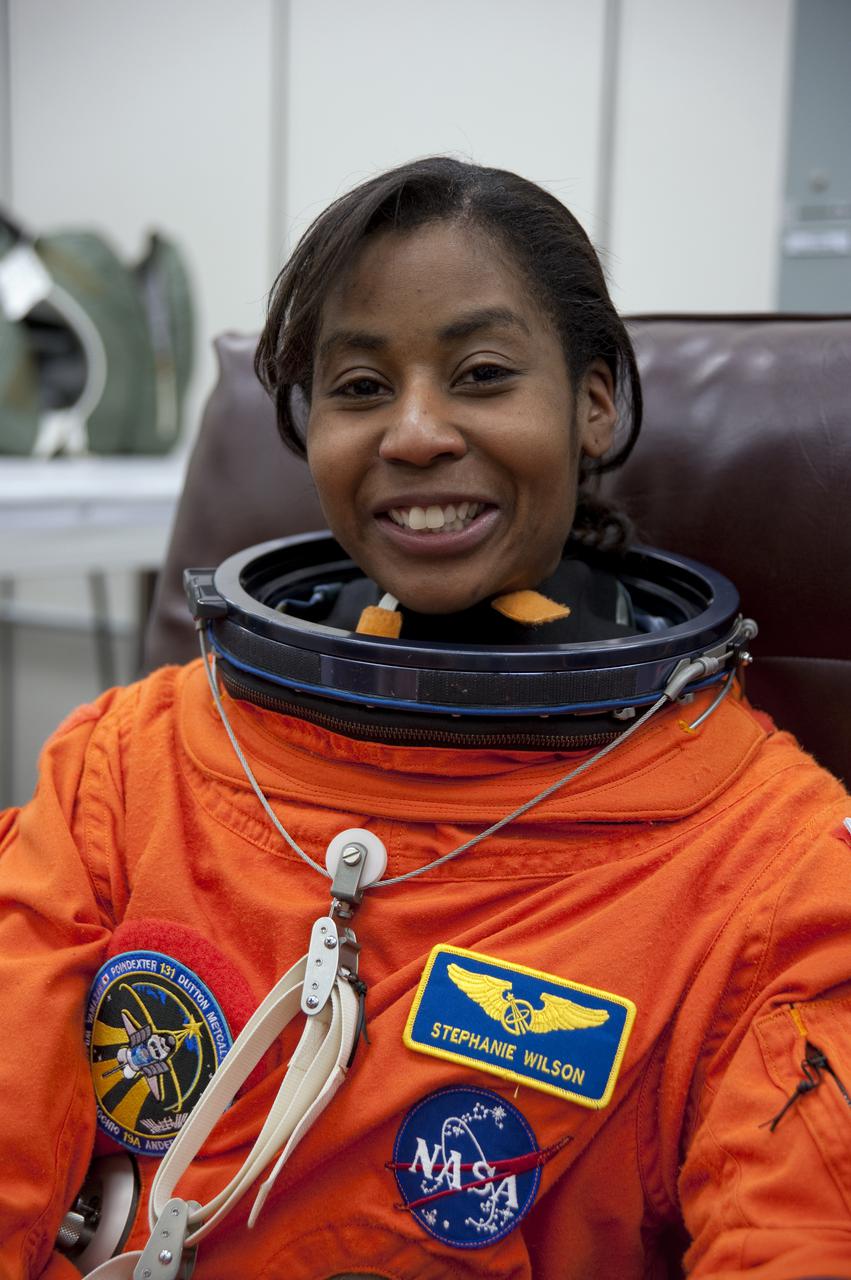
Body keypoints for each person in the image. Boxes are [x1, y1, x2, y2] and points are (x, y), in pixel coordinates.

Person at [1, 157, 850, 1280]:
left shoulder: (766, 861)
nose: (411, 433)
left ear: (592, 399)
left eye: (482, 372)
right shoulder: (127, 764)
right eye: (357, 387)